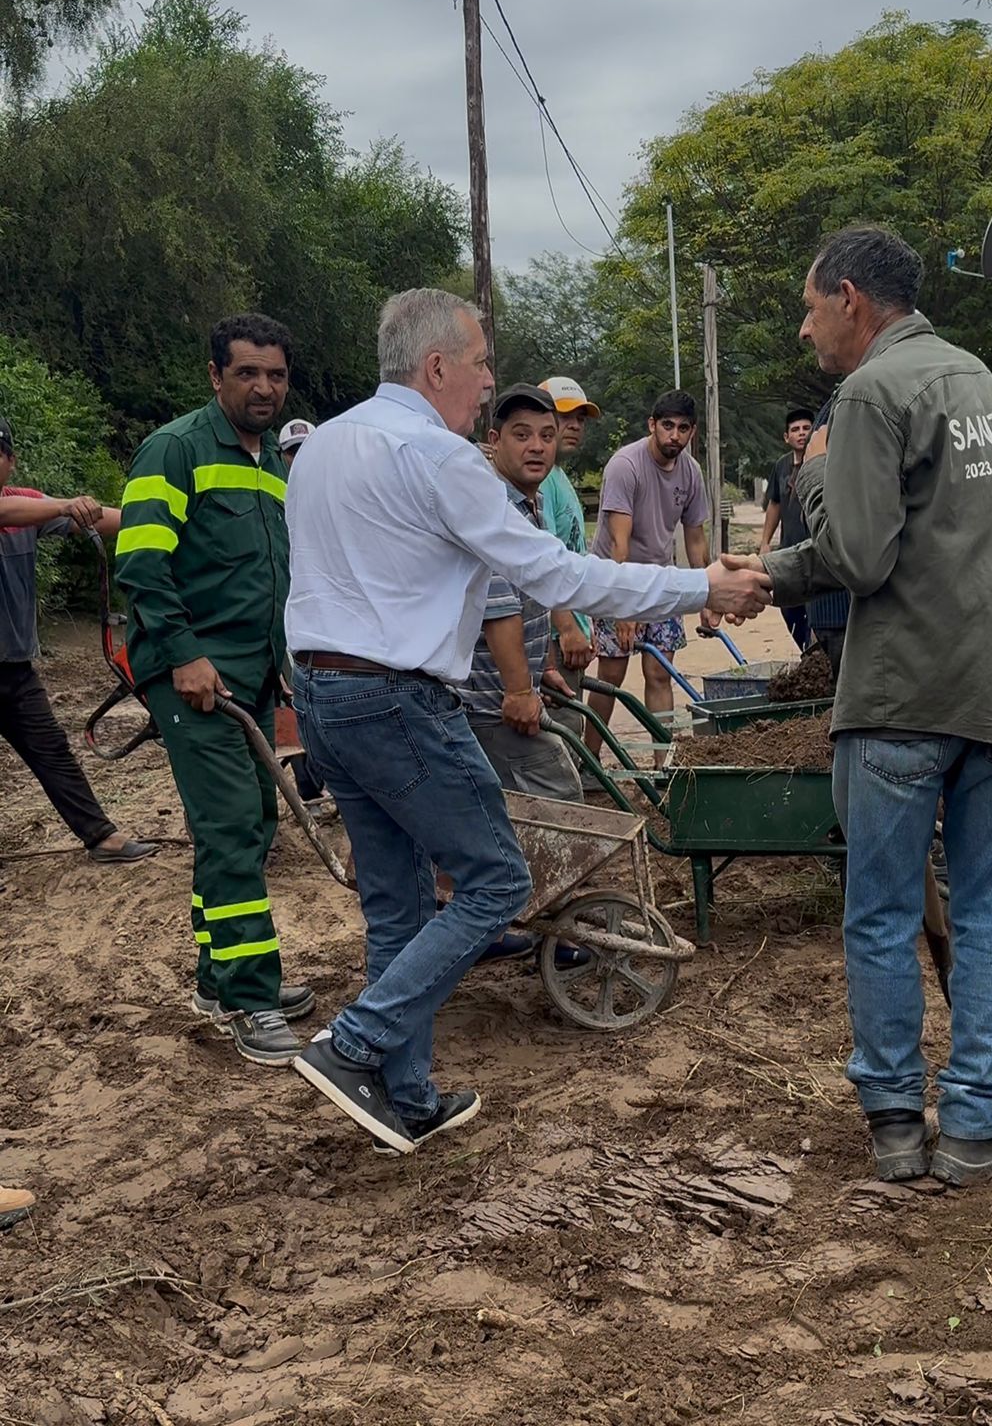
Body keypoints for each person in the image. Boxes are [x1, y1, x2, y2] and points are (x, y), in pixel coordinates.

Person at [284, 288, 771, 1155]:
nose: (486, 384)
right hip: (398, 701)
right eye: (479, 367)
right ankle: (355, 1044)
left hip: (323, 696)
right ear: (436, 367)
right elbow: (562, 576)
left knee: (397, 903)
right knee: (501, 883)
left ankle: (408, 1093)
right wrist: (704, 587)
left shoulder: (325, 446)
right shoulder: (440, 457)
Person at [752, 224, 992, 1187]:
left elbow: (858, 556)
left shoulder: (872, 391)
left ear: (849, 298)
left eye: (808, 308)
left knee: (880, 914)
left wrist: (802, 486)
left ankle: (893, 1124)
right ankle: (972, 1131)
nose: (806, 331)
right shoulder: (973, 376)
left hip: (903, 700)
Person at [115, 314, 315, 1067]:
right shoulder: (175, 450)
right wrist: (183, 655)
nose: (263, 387)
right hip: (192, 676)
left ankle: (216, 977)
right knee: (232, 828)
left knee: (253, 822)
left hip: (253, 672)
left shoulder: (272, 465)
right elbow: (141, 567)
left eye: (274, 374)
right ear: (214, 376)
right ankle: (250, 999)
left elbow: (272, 575)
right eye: (246, 374)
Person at [0, 417, 156, 882]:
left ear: (10, 460)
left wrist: (157, 521)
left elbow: (102, 519)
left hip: (13, 667)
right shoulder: (20, 510)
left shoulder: (26, 505)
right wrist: (63, 503)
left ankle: (100, 836)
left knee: (52, 752)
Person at [459, 384, 583, 803]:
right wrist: (517, 690)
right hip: (487, 703)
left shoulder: (533, 502)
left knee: (502, 810)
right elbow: (497, 608)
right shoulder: (492, 508)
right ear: (495, 442)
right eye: (522, 435)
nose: (537, 447)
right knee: (561, 795)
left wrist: (542, 665)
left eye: (547, 436)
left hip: (507, 691)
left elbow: (533, 593)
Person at [585, 390, 713, 759]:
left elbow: (695, 537)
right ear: (652, 425)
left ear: (692, 432)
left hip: (662, 579)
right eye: (668, 425)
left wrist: (708, 593)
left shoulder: (691, 472)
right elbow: (618, 544)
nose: (675, 435)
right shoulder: (626, 465)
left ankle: (665, 765)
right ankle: (589, 762)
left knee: (660, 673)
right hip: (618, 577)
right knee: (611, 675)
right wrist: (625, 609)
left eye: (683, 428)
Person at [537, 376, 600, 739]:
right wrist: (566, 627)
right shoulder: (539, 482)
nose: (575, 425)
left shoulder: (558, 476)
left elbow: (573, 556)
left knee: (571, 729)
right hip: (555, 640)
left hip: (573, 631)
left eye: (581, 417)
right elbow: (541, 568)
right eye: (565, 416)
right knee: (561, 739)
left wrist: (585, 622)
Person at [759, 407, 814, 653]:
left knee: (816, 610)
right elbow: (775, 503)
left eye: (806, 428)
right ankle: (806, 652)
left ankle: (815, 655)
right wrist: (765, 542)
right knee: (789, 606)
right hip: (788, 551)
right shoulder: (781, 466)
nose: (801, 434)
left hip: (817, 552)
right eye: (795, 430)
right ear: (786, 437)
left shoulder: (824, 462)